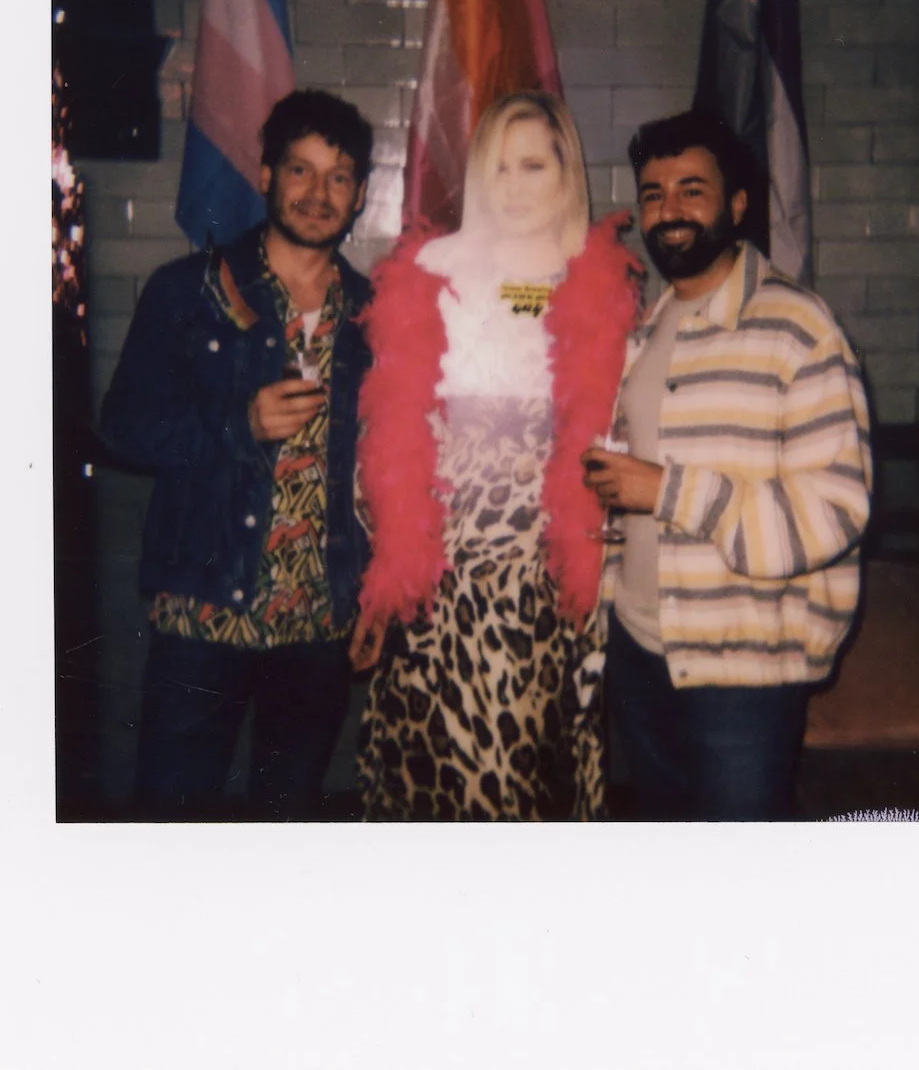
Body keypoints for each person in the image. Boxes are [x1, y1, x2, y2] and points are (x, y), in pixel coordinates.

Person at [349, 91, 641, 820]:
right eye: (500, 167)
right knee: (434, 771)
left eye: (533, 165)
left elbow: (613, 435)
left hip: (543, 574)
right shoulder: (433, 269)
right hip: (438, 571)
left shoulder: (596, 278)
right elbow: (388, 433)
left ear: (566, 171)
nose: (514, 186)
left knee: (522, 770)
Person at [583, 111, 872, 821]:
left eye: (692, 190)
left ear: (737, 205)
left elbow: (835, 511)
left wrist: (668, 490)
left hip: (745, 674)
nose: (670, 210)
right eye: (654, 195)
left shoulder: (798, 328)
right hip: (639, 651)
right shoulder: (645, 330)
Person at [100, 89, 374, 820]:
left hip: (317, 628)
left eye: (339, 177)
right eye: (300, 170)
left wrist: (376, 593)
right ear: (265, 175)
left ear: (360, 195)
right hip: (204, 613)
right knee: (172, 822)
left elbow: (382, 475)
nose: (318, 194)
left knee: (287, 826)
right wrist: (237, 423)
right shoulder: (189, 291)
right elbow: (122, 427)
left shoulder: (373, 316)